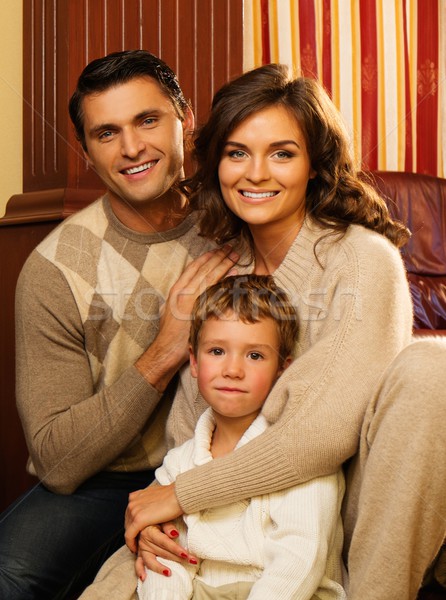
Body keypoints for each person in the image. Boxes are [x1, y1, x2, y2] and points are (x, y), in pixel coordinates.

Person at [123, 64, 446, 599]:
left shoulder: (364, 260)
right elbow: (191, 423)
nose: (256, 174)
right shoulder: (213, 269)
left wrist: (184, 492)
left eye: (282, 153)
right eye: (236, 153)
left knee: (433, 367)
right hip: (235, 519)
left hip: (353, 504)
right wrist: (165, 503)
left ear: (316, 167)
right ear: (216, 164)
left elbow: (323, 434)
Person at [0, 50, 239, 600]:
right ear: (86, 153)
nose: (132, 148)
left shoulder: (239, 220)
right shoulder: (54, 270)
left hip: (218, 460)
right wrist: (165, 350)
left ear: (186, 120)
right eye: (107, 133)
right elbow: (58, 458)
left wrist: (185, 490)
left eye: (148, 120)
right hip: (103, 478)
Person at [80, 274, 346, 600]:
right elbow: (167, 558)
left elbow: (300, 559)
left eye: (255, 356)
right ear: (193, 361)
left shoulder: (300, 456)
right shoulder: (181, 461)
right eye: (217, 351)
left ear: (283, 369)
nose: (232, 370)